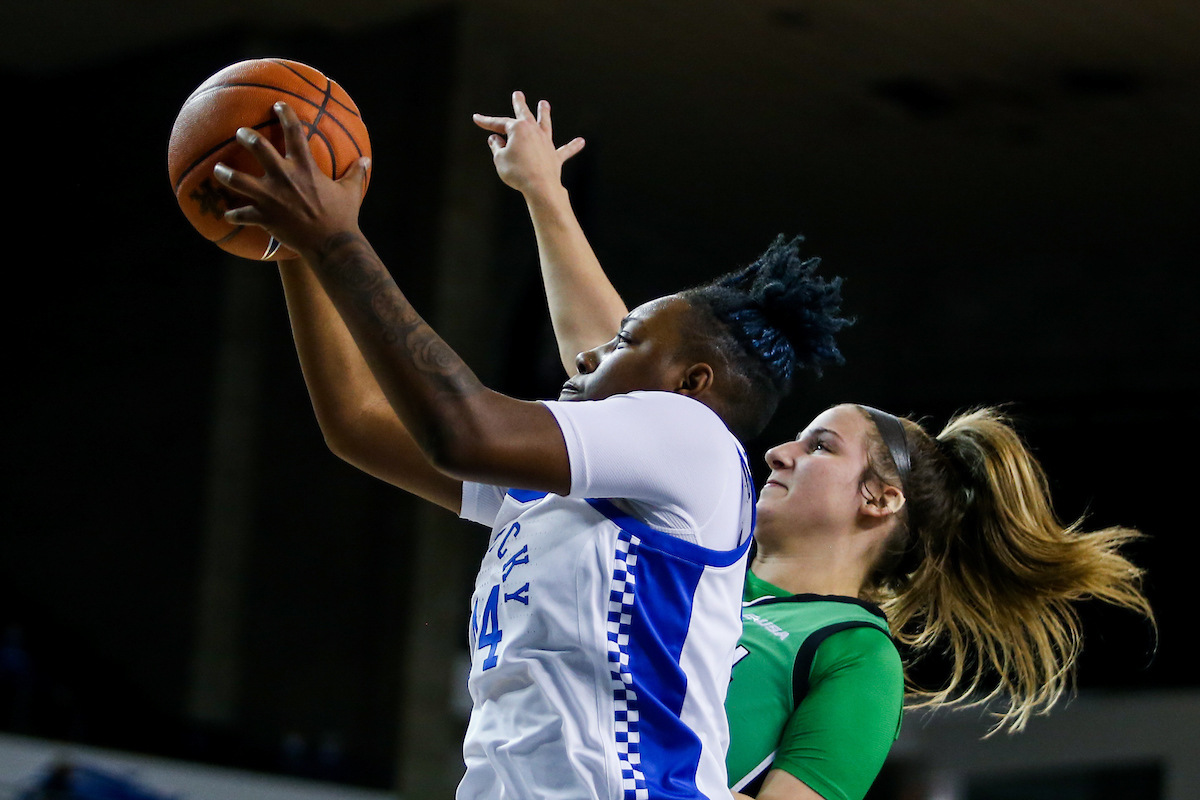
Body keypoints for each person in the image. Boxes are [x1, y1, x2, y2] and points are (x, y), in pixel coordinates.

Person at [473, 94, 1155, 800]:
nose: (778, 454)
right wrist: (544, 194)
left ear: (880, 498)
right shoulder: (710, 563)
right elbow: (624, 368)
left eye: (820, 446)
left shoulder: (853, 652)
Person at [211, 96, 851, 800]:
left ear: (691, 384)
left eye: (622, 344)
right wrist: (296, 249)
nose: (586, 360)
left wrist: (336, 240)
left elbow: (463, 430)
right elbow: (360, 423)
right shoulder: (571, 487)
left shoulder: (694, 441)